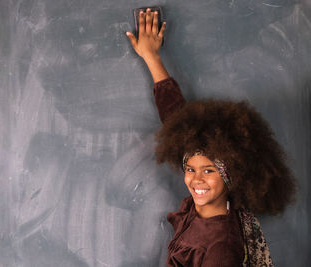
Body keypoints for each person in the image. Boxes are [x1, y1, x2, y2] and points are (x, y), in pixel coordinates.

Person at [126, 8, 296, 267]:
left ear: (230, 175)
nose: (196, 179)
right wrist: (151, 57)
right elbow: (176, 117)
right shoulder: (212, 210)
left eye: (208, 171)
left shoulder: (220, 248)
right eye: (191, 168)